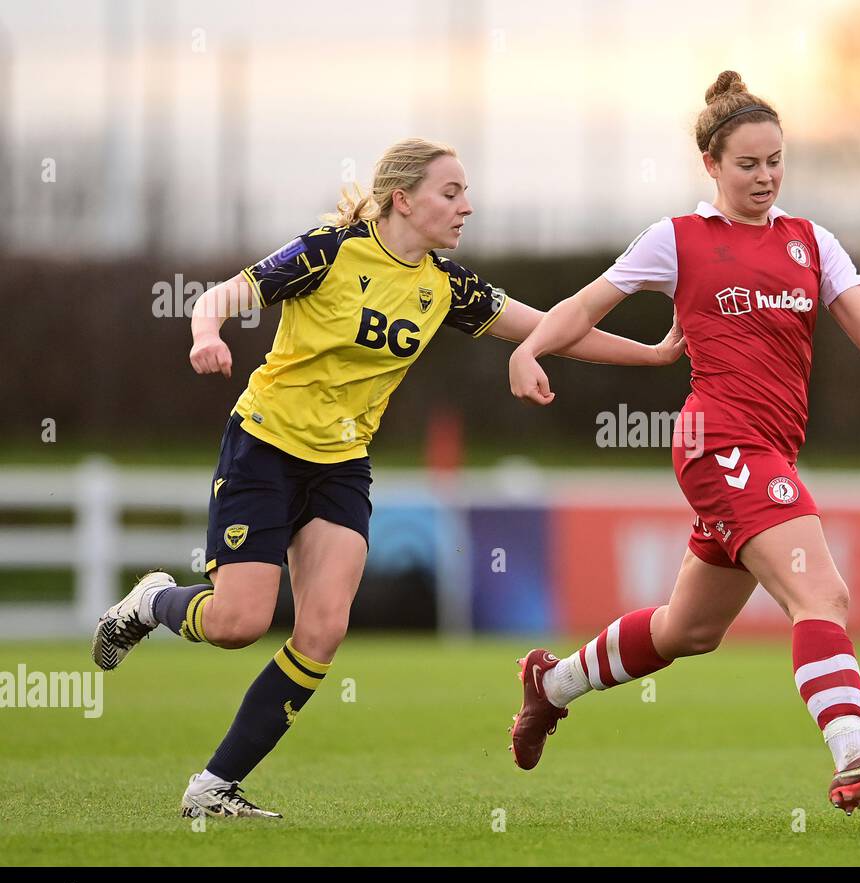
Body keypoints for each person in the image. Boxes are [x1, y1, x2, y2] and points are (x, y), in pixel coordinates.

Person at [92, 137, 685, 819]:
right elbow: (222, 295)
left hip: (342, 465)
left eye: (466, 192)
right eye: (451, 193)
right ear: (404, 199)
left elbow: (552, 329)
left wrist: (653, 355)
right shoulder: (329, 250)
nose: (468, 206)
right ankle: (151, 602)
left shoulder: (448, 285)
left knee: (321, 631)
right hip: (264, 448)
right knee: (236, 623)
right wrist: (207, 332)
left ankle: (213, 788)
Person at [507, 72, 860, 814]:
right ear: (711, 164)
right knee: (821, 592)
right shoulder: (679, 238)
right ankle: (854, 756)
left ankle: (552, 684)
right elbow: (585, 304)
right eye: (747, 164)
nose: (765, 177)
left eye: (775, 162)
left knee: (688, 630)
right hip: (720, 443)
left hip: (769, 451)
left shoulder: (811, 241)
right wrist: (528, 350)